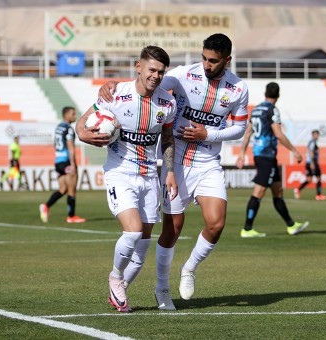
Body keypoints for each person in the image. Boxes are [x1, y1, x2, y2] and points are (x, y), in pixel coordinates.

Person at [98, 33, 249, 310]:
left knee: (216, 224)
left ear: (227, 60)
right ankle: (162, 288)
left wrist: (209, 133)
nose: (206, 64)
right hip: (176, 163)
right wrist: (112, 85)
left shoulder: (238, 89)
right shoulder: (182, 75)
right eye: (203, 58)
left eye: (213, 61)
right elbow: (145, 84)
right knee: (173, 230)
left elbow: (239, 128)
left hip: (208, 163)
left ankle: (189, 268)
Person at [77, 45, 177, 312]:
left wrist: (169, 172)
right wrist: (82, 134)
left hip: (149, 177)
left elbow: (167, 139)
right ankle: (114, 276)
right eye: (151, 69)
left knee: (143, 245)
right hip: (119, 173)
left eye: (161, 71)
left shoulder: (167, 102)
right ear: (138, 67)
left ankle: (119, 289)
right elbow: (82, 122)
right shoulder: (115, 93)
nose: (156, 75)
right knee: (132, 231)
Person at [236, 82, 309, 238]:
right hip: (266, 155)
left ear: (265, 93)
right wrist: (295, 151)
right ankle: (247, 229)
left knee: (277, 191)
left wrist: (242, 153)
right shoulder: (272, 110)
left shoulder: (256, 109)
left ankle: (291, 225)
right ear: (278, 95)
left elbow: (248, 133)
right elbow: (278, 134)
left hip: (262, 154)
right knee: (259, 191)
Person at [39, 106, 86, 224]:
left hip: (58, 162)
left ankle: (46, 205)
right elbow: (70, 147)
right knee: (71, 189)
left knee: (63, 189)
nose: (75, 116)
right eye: (72, 114)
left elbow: (56, 144)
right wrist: (73, 164)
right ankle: (71, 216)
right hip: (66, 161)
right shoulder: (69, 129)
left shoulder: (58, 127)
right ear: (66, 115)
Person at [294, 130, 326, 200]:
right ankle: (318, 195)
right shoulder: (312, 142)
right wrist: (312, 163)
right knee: (318, 178)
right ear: (312, 135)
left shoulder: (312, 142)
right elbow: (311, 152)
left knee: (309, 180)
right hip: (312, 163)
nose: (317, 136)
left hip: (309, 163)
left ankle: (298, 189)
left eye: (317, 134)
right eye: (315, 135)